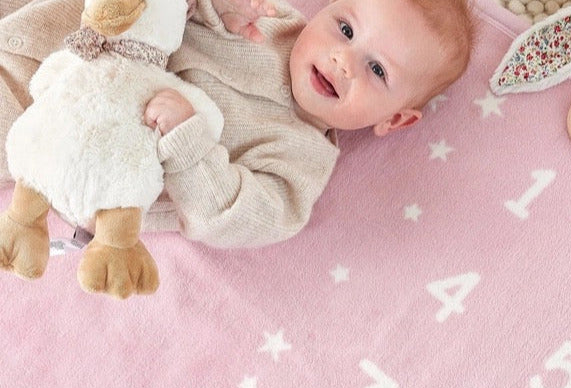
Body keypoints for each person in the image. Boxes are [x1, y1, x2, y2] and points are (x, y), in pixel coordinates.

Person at [0, 0, 475, 251]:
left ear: (395, 119)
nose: (342, 60)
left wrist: (190, 147)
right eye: (346, 30)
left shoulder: (300, 159)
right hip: (76, 41)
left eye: (377, 71)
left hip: (62, 134)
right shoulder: (273, 24)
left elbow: (233, 215)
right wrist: (214, 6)